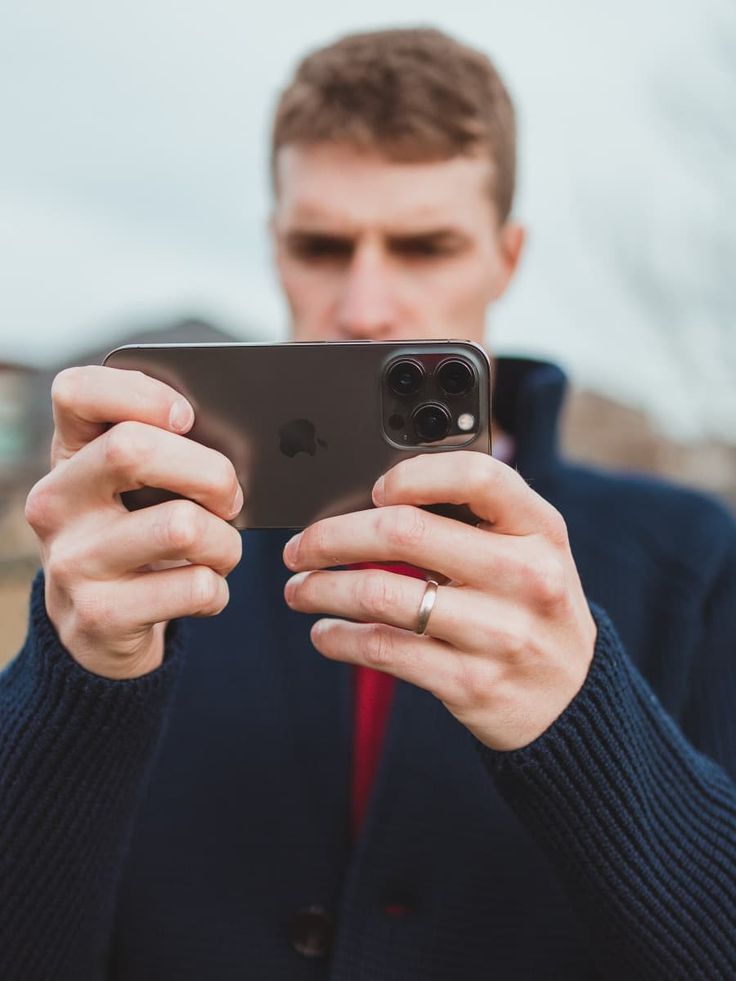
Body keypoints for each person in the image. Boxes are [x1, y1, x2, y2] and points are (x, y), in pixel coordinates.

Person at [2, 27, 735, 981]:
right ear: (275, 249)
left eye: (426, 245)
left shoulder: (690, 555)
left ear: (506, 259)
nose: (365, 303)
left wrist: (585, 716)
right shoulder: (150, 550)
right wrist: (73, 678)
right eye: (322, 244)